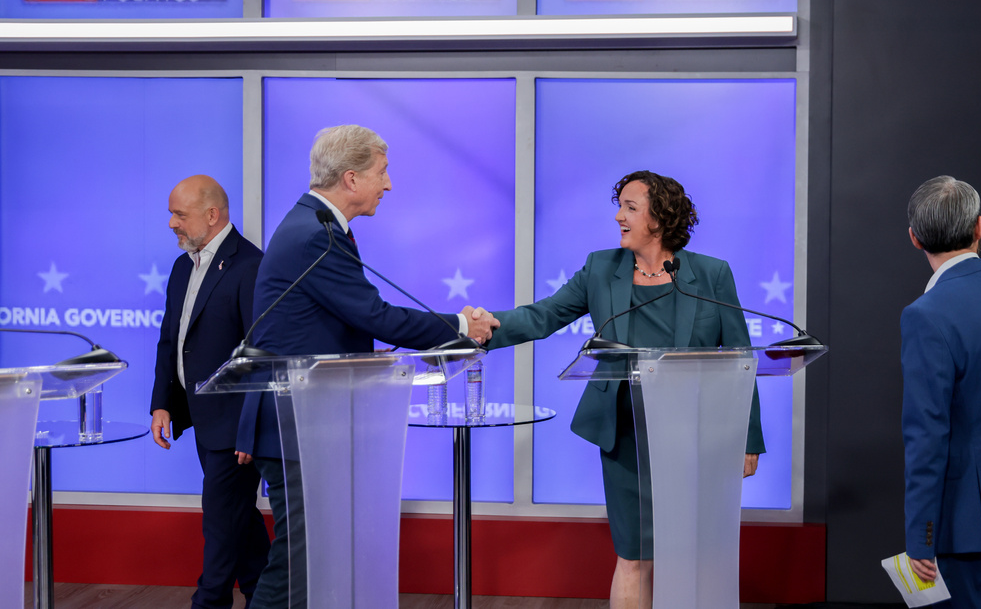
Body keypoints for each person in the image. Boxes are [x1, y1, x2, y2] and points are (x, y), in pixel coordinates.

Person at [235, 124, 498, 608]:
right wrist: (461, 323)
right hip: (293, 421)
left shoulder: (317, 226)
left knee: (312, 555)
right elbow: (374, 314)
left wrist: (355, 356)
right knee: (299, 560)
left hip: (306, 415)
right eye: (383, 172)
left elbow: (320, 321)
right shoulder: (315, 235)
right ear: (351, 178)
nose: (390, 184)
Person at [476, 170, 764, 609]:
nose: (618, 216)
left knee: (692, 554)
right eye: (620, 205)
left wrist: (748, 438)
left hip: (697, 436)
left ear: (660, 217)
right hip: (625, 432)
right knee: (633, 555)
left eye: (630, 207)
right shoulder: (600, 268)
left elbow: (741, 361)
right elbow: (543, 316)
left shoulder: (711, 275)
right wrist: (479, 327)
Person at [901, 175, 981, 607]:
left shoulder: (926, 315)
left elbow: (927, 435)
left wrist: (921, 537)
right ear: (979, 227)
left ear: (915, 239)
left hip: (972, 536)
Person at [151, 175, 270, 609]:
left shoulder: (250, 266)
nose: (171, 224)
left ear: (212, 215)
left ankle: (210, 601)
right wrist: (162, 402)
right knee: (238, 516)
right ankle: (266, 595)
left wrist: (252, 427)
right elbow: (171, 339)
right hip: (200, 418)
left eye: (179, 214)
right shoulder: (185, 264)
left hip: (235, 424)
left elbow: (260, 355)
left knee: (220, 521)